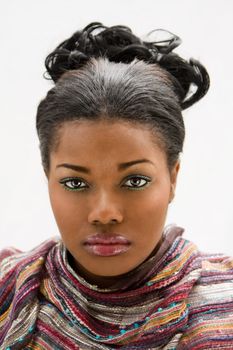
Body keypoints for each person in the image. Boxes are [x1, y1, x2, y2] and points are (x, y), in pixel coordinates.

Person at [0, 22, 232, 350]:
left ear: (173, 177)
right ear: (47, 177)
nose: (104, 213)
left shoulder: (225, 308)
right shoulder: (8, 293)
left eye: (135, 181)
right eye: (75, 182)